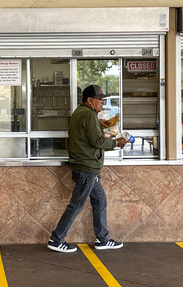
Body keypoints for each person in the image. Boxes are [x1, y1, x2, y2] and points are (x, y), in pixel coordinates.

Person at [47, 84, 129, 253]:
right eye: (100, 100)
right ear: (90, 101)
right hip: (87, 167)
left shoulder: (80, 113)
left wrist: (101, 127)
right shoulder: (88, 114)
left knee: (100, 200)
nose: (102, 104)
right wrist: (116, 143)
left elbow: (89, 136)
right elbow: (97, 142)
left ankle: (103, 239)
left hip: (87, 166)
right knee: (76, 204)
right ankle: (56, 239)